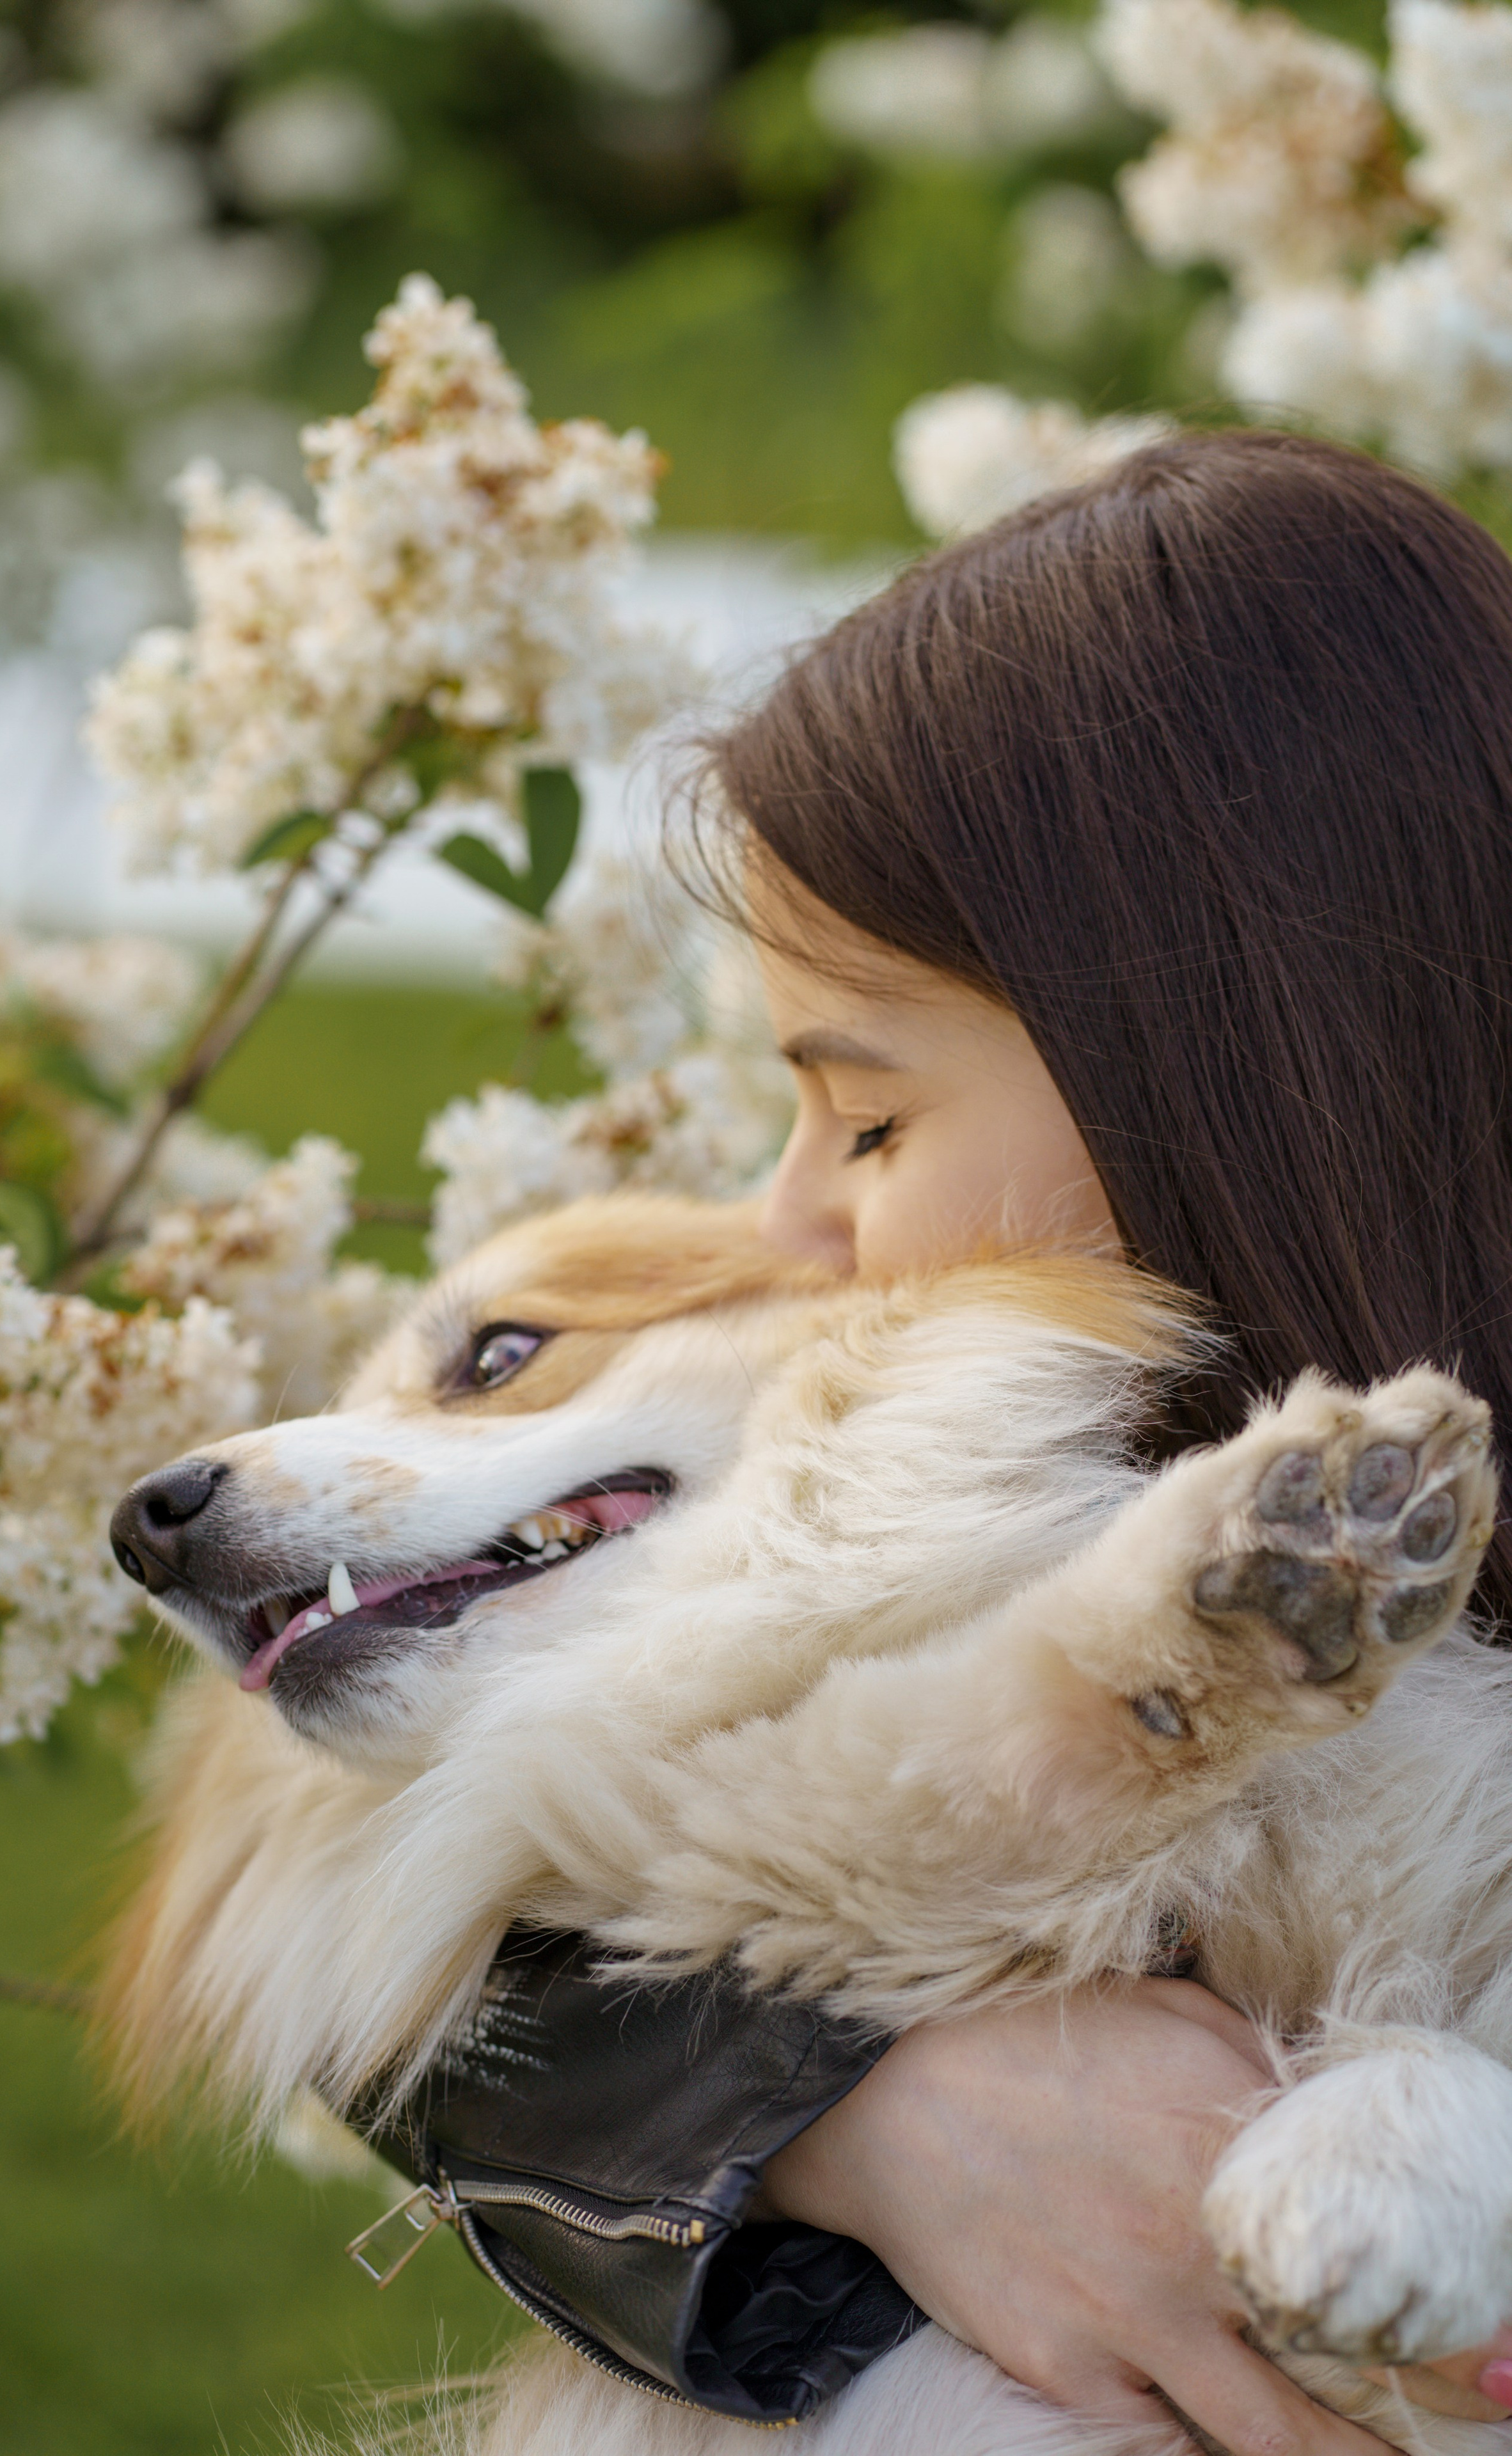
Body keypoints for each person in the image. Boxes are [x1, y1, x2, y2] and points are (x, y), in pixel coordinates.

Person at [375, 430, 1512, 2450]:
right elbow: (373, 1882)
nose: (789, 1226)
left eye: (871, 1119)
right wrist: (838, 2111)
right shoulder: (924, 1506)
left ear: (1224, 1066)